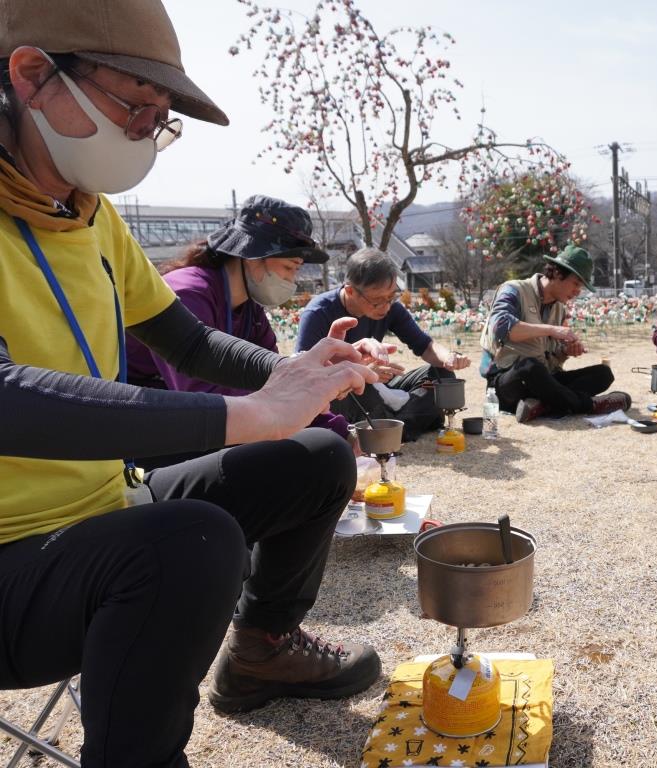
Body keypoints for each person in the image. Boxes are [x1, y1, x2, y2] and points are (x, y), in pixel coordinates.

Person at [0, 4, 387, 766]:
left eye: (160, 118)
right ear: (33, 74)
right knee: (192, 543)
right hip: (12, 557)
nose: (147, 132)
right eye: (134, 107)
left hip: (101, 509)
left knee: (315, 458)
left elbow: (182, 338)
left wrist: (291, 373)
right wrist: (241, 416)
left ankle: (262, 652)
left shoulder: (87, 215)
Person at [126, 194, 362, 466]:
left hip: (204, 419)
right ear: (252, 257)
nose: (291, 281)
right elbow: (199, 396)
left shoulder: (251, 313)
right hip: (148, 427)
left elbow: (279, 380)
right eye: (288, 268)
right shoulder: (188, 293)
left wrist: (342, 432)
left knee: (324, 447)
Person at [296, 246, 472, 440]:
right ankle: (399, 424)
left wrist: (449, 357)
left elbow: (424, 345)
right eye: (377, 300)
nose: (386, 307)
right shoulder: (318, 313)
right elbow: (305, 376)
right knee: (357, 388)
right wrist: (364, 372)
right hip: (346, 390)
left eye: (391, 297)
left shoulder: (390, 309)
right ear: (350, 291)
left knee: (442, 375)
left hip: (380, 386)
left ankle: (389, 426)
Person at [479, 245, 632, 423]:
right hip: (508, 383)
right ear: (558, 273)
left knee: (603, 374)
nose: (577, 291)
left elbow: (552, 358)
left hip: (546, 380)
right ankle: (588, 405)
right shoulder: (514, 289)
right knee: (530, 366)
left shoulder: (558, 308)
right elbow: (502, 326)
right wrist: (551, 329)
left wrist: (565, 352)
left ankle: (541, 405)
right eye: (576, 283)